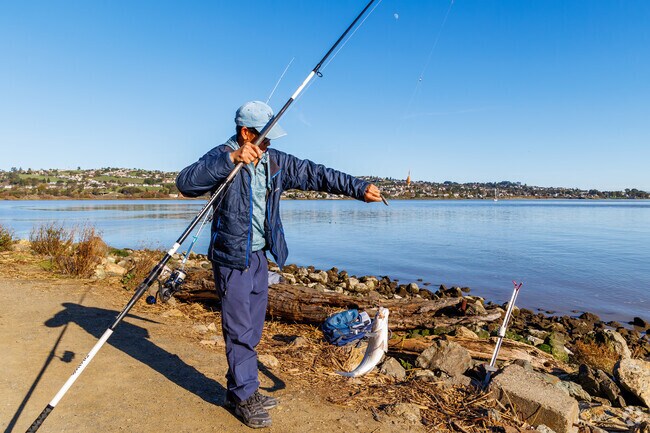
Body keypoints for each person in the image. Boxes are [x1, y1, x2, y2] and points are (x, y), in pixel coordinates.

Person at [176, 101, 382, 429]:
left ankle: (243, 388)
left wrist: (358, 188)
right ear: (246, 133)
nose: (271, 143)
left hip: (259, 255)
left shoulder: (275, 162)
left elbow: (318, 174)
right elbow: (186, 183)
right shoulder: (221, 156)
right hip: (231, 256)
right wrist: (231, 159)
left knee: (253, 328)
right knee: (239, 328)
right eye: (266, 136)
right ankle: (242, 396)